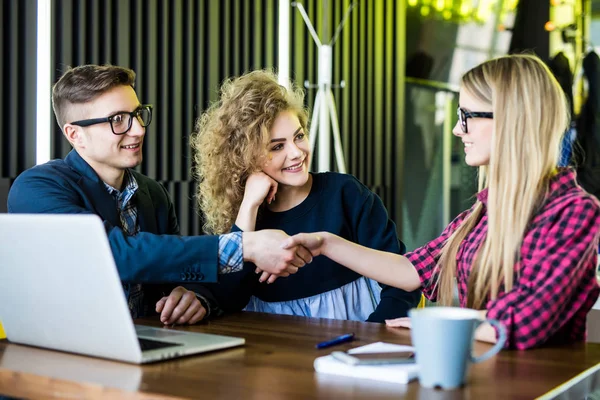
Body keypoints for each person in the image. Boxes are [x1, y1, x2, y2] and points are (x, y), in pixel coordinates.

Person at [283, 54, 600, 349]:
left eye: (466, 116)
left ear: (510, 120)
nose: (456, 129)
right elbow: (412, 270)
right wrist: (325, 243)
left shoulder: (574, 212)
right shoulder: (481, 215)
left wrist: (439, 326)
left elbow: (526, 322)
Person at [7, 65, 311, 326]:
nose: (138, 130)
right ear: (75, 134)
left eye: (138, 114)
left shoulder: (153, 194)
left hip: (146, 352)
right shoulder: (36, 188)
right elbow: (110, 253)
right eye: (118, 120)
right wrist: (244, 245)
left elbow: (172, 269)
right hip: (62, 362)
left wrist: (195, 296)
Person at [191, 70, 420, 322]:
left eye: (299, 136)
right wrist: (249, 205)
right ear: (246, 158)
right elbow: (228, 298)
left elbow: (404, 281)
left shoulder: (346, 194)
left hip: (356, 345)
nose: (296, 153)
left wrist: (372, 337)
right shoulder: (247, 217)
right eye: (277, 146)